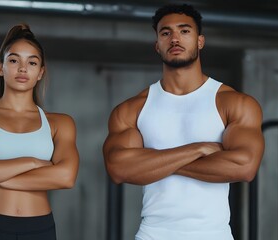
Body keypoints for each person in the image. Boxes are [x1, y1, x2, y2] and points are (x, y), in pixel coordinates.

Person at [103, 3, 264, 240]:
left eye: (184, 31)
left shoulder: (233, 102)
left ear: (200, 41)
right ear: (157, 45)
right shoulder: (133, 109)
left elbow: (245, 166)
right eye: (166, 33)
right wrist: (197, 149)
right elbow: (118, 169)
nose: (174, 39)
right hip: (152, 234)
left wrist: (153, 163)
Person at [0, 23, 79, 240]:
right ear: (1, 67)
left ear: (40, 72)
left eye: (32, 62)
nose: (23, 68)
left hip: (39, 229)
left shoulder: (60, 123)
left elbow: (66, 177)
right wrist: (32, 162)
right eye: (14, 60)